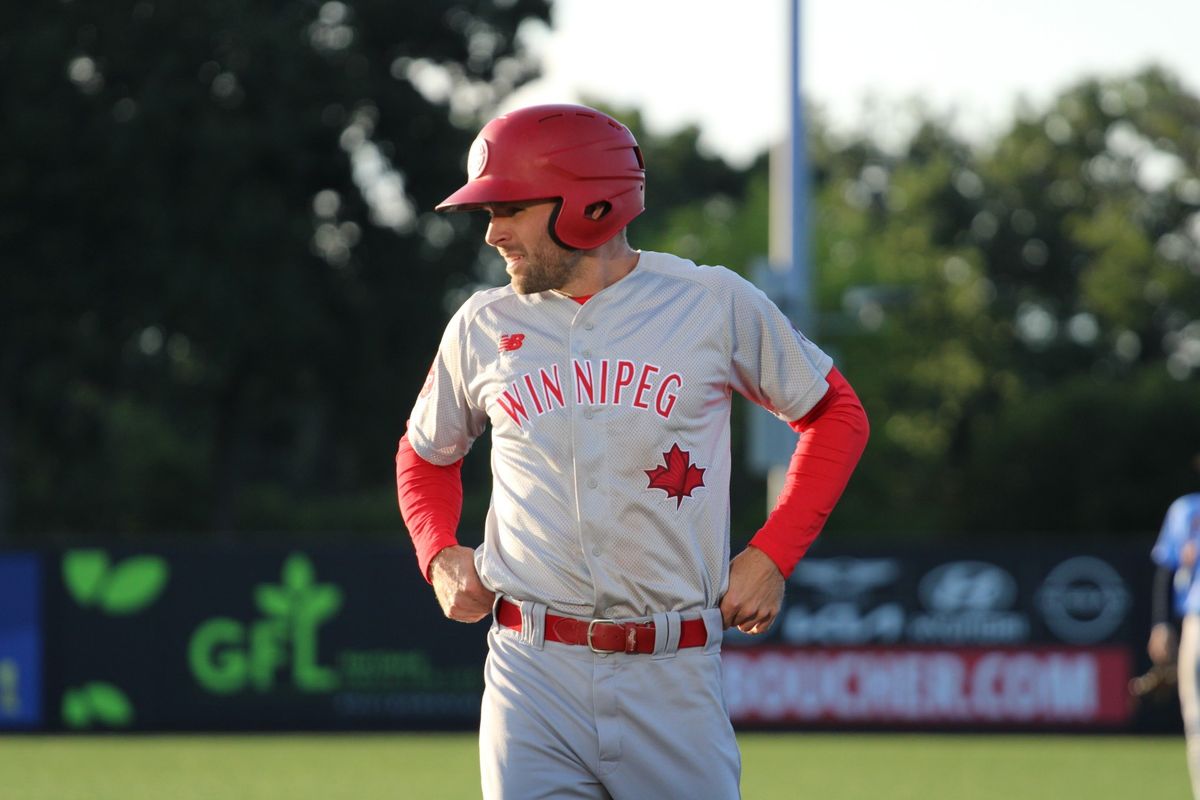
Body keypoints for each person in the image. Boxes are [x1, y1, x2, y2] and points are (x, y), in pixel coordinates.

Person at [395, 103, 869, 799]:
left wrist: (772, 555)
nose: (492, 232)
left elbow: (837, 414)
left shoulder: (708, 302)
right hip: (531, 673)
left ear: (589, 203)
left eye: (511, 208)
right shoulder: (483, 323)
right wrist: (437, 552)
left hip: (671, 674)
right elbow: (424, 452)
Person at [1149, 454, 1200, 799]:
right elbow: (1166, 568)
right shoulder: (1186, 509)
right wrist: (1161, 623)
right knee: (1195, 715)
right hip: (1196, 619)